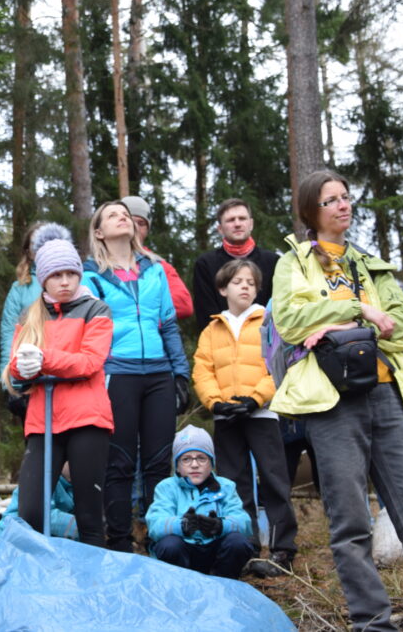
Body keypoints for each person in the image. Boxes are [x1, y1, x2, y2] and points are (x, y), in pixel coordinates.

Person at [271, 169, 403, 632]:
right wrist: (358, 309)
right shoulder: (294, 262)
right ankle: (373, 624)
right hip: (330, 403)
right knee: (350, 525)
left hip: (387, 393)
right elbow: (290, 320)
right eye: (331, 200)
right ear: (312, 210)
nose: (343, 205)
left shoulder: (372, 264)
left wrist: (341, 326)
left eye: (347, 197)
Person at [82, 200, 190, 553]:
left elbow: (169, 324)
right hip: (118, 374)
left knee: (159, 461)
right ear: (99, 232)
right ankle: (119, 544)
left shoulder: (155, 269)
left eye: (125, 214)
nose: (122, 217)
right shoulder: (89, 275)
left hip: (158, 372)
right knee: (120, 462)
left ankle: (161, 539)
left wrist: (180, 374)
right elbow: (87, 331)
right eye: (113, 215)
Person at [5, 230, 114, 547]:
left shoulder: (96, 310)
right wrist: (20, 370)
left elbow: (90, 362)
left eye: (71, 274)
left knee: (90, 514)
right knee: (31, 512)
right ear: (43, 278)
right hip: (43, 422)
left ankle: (91, 586)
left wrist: (44, 360)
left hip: (87, 420)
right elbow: (16, 366)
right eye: (56, 275)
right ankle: (42, 579)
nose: (65, 281)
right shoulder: (30, 315)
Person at [192, 259, 298, 577]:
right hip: (227, 418)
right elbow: (203, 370)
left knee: (274, 479)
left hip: (263, 414)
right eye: (238, 281)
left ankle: (282, 548)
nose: (245, 287)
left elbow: (276, 364)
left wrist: (256, 398)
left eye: (251, 282)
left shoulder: (268, 322)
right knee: (235, 482)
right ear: (223, 289)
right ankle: (247, 545)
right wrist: (216, 404)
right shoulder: (212, 330)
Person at [145, 425, 255, 579]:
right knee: (169, 545)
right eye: (186, 459)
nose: (194, 464)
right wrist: (182, 525)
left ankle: (223, 584)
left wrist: (220, 525)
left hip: (215, 553)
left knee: (237, 542)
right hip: (183, 553)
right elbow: (155, 525)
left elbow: (245, 523)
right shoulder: (166, 488)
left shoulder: (227, 486)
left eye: (201, 458)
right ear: (177, 466)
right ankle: (181, 586)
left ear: (212, 463)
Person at [192, 198, 278, 332]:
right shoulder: (205, 264)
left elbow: (278, 309)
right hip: (221, 342)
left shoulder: (272, 261)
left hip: (265, 342)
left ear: (251, 224)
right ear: (220, 229)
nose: (237, 224)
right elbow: (205, 315)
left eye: (242, 218)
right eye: (231, 220)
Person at [0, 222, 46, 420]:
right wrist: (9, 379)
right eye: (36, 244)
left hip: (65, 376)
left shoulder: (76, 282)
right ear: (28, 251)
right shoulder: (20, 288)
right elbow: (9, 333)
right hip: (29, 377)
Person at [120, 195, 194, 320]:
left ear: (147, 231)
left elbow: (184, 305)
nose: (135, 227)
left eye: (141, 223)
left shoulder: (158, 264)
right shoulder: (96, 264)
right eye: (130, 220)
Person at [0, 464, 79, 541]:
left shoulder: (76, 486)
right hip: (13, 538)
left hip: (44, 540)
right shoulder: (44, 478)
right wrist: (85, 527)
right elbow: (46, 516)